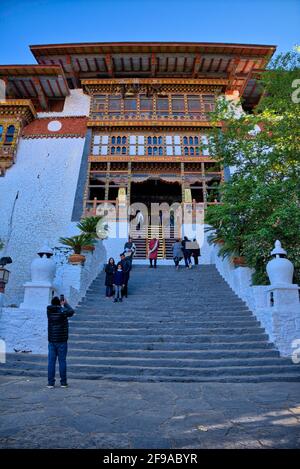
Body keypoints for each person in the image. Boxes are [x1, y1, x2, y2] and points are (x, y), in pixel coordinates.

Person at [47, 296, 74, 388]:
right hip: (62, 341)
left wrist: (60, 305)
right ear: (59, 303)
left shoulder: (49, 311)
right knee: (62, 361)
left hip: (52, 341)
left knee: (51, 362)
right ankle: (63, 382)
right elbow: (71, 311)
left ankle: (50, 383)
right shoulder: (62, 311)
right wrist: (65, 304)